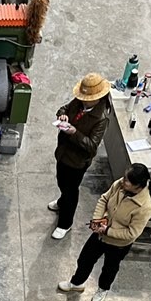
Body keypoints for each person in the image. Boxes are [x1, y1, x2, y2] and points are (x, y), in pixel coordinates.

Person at [57, 163, 151, 301]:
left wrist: (107, 231)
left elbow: (132, 233)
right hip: (100, 233)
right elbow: (104, 199)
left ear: (137, 186)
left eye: (127, 180)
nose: (123, 181)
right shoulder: (120, 185)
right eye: (124, 177)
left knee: (109, 268)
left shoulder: (144, 207)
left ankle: (102, 289)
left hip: (118, 245)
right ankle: (77, 283)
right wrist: (97, 221)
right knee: (85, 259)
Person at [49, 72, 112, 240]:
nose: (83, 101)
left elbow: (91, 146)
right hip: (63, 152)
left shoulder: (101, 119)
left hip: (77, 161)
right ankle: (62, 202)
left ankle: (65, 223)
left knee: (70, 191)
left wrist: (74, 133)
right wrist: (62, 114)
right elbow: (65, 108)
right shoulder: (79, 102)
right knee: (62, 182)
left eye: (87, 99)